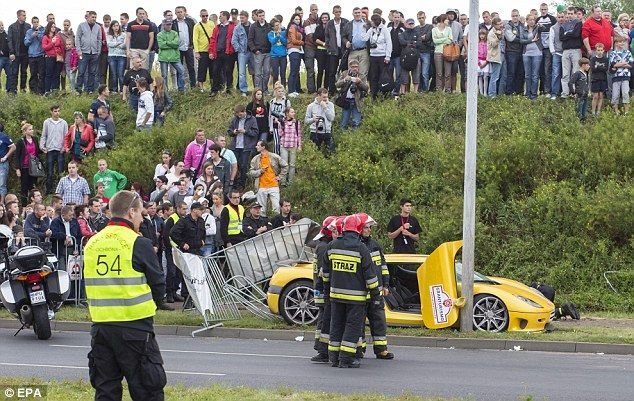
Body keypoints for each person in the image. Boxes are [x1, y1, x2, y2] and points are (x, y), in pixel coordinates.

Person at [84, 191, 166, 400]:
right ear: (131, 212)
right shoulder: (138, 243)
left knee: (106, 390)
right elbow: (158, 283)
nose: (141, 218)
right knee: (147, 389)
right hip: (135, 326)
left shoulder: (92, 243)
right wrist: (154, 304)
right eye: (140, 213)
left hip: (101, 327)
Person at [322, 214, 380, 368]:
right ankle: (346, 359)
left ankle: (334, 358)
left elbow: (325, 275)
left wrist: (326, 293)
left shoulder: (332, 246)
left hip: (335, 296)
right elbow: (371, 276)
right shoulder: (361, 248)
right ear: (358, 229)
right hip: (356, 299)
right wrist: (376, 295)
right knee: (352, 327)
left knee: (336, 326)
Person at [356, 213, 393, 360]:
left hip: (376, 292)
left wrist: (385, 284)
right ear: (359, 228)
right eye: (366, 227)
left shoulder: (374, 245)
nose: (369, 230)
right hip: (360, 292)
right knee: (358, 323)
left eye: (370, 227)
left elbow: (383, 266)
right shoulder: (356, 246)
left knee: (379, 321)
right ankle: (360, 349)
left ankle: (381, 349)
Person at [249, 140, 288, 216]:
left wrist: (280, 177)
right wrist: (260, 171)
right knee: (261, 209)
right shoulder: (256, 159)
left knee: (276, 208)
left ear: (263, 147)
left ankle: (276, 224)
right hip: (261, 186)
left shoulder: (274, 156)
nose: (256, 147)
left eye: (258, 145)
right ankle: (263, 224)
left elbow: (285, 166)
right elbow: (251, 172)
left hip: (273, 185)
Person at [227, 104, 259, 190]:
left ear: (244, 111)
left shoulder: (252, 119)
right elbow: (229, 131)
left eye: (240, 114)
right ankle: (233, 184)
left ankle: (242, 184)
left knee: (244, 166)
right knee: (234, 165)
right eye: (237, 114)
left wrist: (245, 131)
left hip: (246, 147)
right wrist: (233, 132)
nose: (239, 116)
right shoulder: (235, 120)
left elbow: (255, 132)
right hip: (235, 147)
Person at [162, 201, 187, 303]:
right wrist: (171, 247)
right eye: (183, 209)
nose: (185, 211)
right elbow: (166, 235)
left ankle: (174, 291)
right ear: (178, 209)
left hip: (180, 249)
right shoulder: (172, 219)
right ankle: (169, 293)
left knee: (178, 272)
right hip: (172, 249)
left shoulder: (183, 219)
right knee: (171, 272)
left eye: (186, 209)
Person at [208, 11, 236, 96]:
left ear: (225, 17)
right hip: (218, 53)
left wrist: (232, 50)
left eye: (221, 16)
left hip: (228, 53)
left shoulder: (233, 27)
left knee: (228, 71)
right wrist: (211, 52)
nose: (219, 17)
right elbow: (212, 40)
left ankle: (229, 89)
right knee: (215, 71)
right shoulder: (217, 27)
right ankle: (214, 90)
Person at [336, 59, 369, 130]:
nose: (354, 68)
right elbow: (337, 85)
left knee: (356, 123)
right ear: (349, 67)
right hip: (346, 101)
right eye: (353, 67)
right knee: (343, 123)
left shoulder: (362, 76)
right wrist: (345, 80)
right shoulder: (344, 73)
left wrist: (360, 82)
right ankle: (343, 138)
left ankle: (355, 139)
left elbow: (366, 88)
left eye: (356, 67)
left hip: (357, 101)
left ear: (358, 67)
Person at [14, 121, 42, 204]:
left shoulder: (35, 139)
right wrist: (17, 168)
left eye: (32, 129)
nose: (32, 131)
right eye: (30, 129)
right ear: (25, 131)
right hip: (25, 167)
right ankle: (24, 205)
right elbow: (17, 156)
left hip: (34, 167)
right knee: (24, 187)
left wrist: (44, 150)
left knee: (33, 186)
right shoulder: (21, 141)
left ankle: (33, 204)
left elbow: (37, 151)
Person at [75, 11, 102, 94]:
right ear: (88, 17)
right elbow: (78, 38)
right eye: (92, 17)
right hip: (83, 52)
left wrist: (98, 51)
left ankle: (90, 89)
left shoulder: (98, 27)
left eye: (95, 17)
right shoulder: (81, 26)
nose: (94, 19)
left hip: (94, 53)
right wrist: (79, 51)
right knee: (81, 72)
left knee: (92, 72)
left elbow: (99, 40)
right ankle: (78, 89)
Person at [366, 14, 391, 99]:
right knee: (373, 76)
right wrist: (365, 29)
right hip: (373, 56)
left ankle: (384, 95)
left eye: (372, 21)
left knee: (383, 76)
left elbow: (389, 43)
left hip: (382, 56)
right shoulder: (371, 29)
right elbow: (364, 38)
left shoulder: (384, 29)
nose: (371, 22)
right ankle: (374, 94)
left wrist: (388, 56)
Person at [325, 6, 348, 95]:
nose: (338, 13)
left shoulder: (345, 22)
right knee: (332, 71)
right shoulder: (330, 23)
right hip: (333, 50)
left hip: (343, 50)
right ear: (333, 12)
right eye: (336, 12)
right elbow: (326, 36)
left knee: (344, 70)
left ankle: (344, 89)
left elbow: (347, 34)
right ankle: (331, 90)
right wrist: (328, 46)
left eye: (339, 12)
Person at [157, 18, 185, 92]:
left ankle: (181, 89)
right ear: (164, 25)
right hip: (164, 57)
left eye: (170, 24)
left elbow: (176, 44)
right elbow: (161, 45)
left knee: (181, 71)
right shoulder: (160, 34)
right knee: (164, 75)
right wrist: (171, 43)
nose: (169, 26)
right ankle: (166, 91)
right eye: (167, 24)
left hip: (174, 56)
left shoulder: (175, 33)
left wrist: (166, 42)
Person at [6, 10, 31, 94]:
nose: (25, 16)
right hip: (16, 54)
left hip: (25, 54)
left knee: (24, 73)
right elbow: (9, 40)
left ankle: (23, 89)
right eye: (23, 15)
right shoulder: (12, 27)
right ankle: (13, 91)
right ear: (18, 16)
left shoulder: (28, 26)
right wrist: (11, 52)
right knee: (14, 73)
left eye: (25, 15)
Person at [560, 7, 583, 98]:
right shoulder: (563, 25)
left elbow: (576, 34)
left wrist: (567, 34)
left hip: (575, 50)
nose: (569, 15)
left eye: (571, 13)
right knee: (565, 73)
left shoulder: (578, 23)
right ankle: (565, 93)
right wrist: (570, 34)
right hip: (565, 51)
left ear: (575, 14)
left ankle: (575, 93)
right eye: (568, 13)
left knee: (575, 72)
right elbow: (561, 37)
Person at [172, 6, 197, 90]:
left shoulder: (190, 22)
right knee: (179, 68)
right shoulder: (173, 23)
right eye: (178, 12)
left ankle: (193, 87)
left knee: (191, 67)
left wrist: (193, 44)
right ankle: (181, 88)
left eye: (181, 12)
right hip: (178, 49)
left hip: (189, 47)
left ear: (184, 12)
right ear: (175, 13)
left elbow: (194, 33)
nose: (179, 13)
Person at [342, 7, 370, 78]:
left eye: (358, 13)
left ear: (361, 13)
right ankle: (352, 89)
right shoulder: (348, 24)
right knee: (351, 72)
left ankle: (362, 89)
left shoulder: (367, 24)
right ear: (353, 14)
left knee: (362, 73)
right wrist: (346, 42)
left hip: (364, 51)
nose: (357, 14)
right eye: (355, 13)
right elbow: (343, 37)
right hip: (352, 51)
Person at [248, 9, 271, 94]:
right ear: (257, 17)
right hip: (258, 52)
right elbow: (250, 40)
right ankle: (258, 91)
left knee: (267, 71)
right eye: (260, 16)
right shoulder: (253, 26)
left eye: (263, 16)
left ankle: (265, 89)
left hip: (268, 52)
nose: (261, 17)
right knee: (257, 73)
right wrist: (254, 50)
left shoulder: (268, 26)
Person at [277, 107, 302, 185]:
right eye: (292, 112)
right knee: (284, 164)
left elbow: (299, 135)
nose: (293, 113)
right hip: (284, 145)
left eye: (294, 112)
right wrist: (280, 125)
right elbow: (280, 134)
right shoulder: (283, 122)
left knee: (292, 165)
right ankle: (283, 182)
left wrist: (299, 145)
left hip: (293, 145)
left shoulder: (297, 122)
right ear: (287, 113)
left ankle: (291, 182)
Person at [521, 14, 543, 100]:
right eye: (530, 20)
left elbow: (543, 28)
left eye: (533, 19)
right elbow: (521, 41)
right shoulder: (523, 29)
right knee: (527, 75)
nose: (532, 21)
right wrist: (531, 40)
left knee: (535, 75)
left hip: (537, 53)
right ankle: (527, 94)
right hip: (526, 54)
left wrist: (540, 25)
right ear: (527, 21)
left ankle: (534, 95)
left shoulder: (537, 28)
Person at [609, 36, 633, 115]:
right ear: (616, 43)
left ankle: (626, 112)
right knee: (615, 94)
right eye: (619, 42)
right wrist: (624, 63)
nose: (621, 43)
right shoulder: (613, 53)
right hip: (616, 76)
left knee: (625, 93)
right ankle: (616, 112)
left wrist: (619, 64)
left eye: (623, 42)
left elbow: (631, 65)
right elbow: (613, 65)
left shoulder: (628, 52)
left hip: (626, 75)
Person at [231, 10, 252, 97]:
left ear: (247, 17)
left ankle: (257, 90)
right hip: (242, 52)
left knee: (256, 72)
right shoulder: (237, 28)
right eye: (241, 18)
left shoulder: (252, 26)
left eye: (243, 18)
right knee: (242, 72)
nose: (241, 19)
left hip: (252, 52)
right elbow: (234, 40)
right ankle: (244, 90)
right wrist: (239, 49)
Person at [193, 9, 215, 92]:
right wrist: (197, 51)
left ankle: (213, 86)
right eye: (203, 16)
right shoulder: (197, 26)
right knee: (202, 69)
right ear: (200, 16)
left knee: (213, 69)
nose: (205, 17)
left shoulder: (211, 24)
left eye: (206, 15)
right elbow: (195, 39)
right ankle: (201, 87)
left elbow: (214, 36)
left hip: (211, 50)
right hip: (202, 51)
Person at [399, 18, 421, 94]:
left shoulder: (417, 33)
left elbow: (419, 43)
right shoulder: (403, 33)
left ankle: (415, 92)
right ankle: (403, 92)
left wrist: (408, 43)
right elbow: (402, 42)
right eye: (409, 24)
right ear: (406, 24)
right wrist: (412, 42)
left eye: (412, 24)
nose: (411, 25)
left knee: (416, 74)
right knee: (404, 75)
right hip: (405, 57)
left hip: (415, 56)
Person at [24, 16, 45, 94]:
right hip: (32, 56)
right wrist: (32, 37)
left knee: (41, 74)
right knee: (33, 74)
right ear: (32, 23)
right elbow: (26, 43)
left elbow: (43, 41)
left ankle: (41, 91)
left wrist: (38, 33)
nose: (36, 24)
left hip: (40, 55)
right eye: (34, 22)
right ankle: (33, 91)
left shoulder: (42, 30)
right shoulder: (29, 32)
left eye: (37, 22)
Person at [41, 21, 64, 93]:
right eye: (52, 26)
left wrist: (62, 54)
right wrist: (52, 42)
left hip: (57, 57)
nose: (53, 28)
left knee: (57, 74)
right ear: (49, 27)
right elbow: (44, 47)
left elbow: (61, 45)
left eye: (54, 26)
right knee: (49, 74)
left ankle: (55, 90)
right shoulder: (45, 37)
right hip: (49, 57)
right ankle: (47, 90)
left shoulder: (57, 36)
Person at [432, 14, 453, 93]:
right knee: (439, 73)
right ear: (442, 20)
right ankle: (439, 90)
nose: (448, 21)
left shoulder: (449, 29)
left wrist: (440, 39)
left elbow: (450, 40)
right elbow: (435, 41)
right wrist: (445, 39)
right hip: (438, 52)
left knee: (448, 73)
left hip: (447, 52)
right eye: (447, 19)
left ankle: (448, 90)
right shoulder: (434, 30)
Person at [286, 14, 304, 98]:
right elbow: (293, 40)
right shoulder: (292, 27)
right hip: (293, 50)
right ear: (292, 19)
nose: (298, 21)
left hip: (298, 50)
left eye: (299, 19)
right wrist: (302, 42)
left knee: (296, 71)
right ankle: (290, 90)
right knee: (293, 71)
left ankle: (294, 90)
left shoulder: (298, 28)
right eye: (296, 19)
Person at [107, 20, 126, 93]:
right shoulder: (109, 35)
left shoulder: (123, 35)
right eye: (114, 26)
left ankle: (122, 90)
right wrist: (118, 43)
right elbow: (109, 44)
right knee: (113, 74)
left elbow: (124, 44)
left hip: (121, 56)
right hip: (112, 56)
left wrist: (115, 44)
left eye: (117, 25)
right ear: (112, 27)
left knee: (120, 74)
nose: (116, 27)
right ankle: (114, 90)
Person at [590, 43, 608, 117]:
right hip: (595, 79)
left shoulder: (605, 59)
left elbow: (605, 69)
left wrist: (598, 67)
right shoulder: (593, 59)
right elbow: (593, 69)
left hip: (603, 79)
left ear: (603, 51)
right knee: (595, 96)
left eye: (601, 50)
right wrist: (600, 68)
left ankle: (598, 111)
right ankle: (593, 111)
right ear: (596, 51)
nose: (600, 51)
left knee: (601, 96)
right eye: (598, 50)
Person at [268, 19, 288, 88]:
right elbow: (272, 42)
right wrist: (277, 35)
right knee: (275, 74)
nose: (278, 26)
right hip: (274, 56)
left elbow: (285, 42)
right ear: (273, 27)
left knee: (283, 74)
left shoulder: (283, 33)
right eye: (276, 25)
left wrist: (280, 35)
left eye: (279, 25)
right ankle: (275, 89)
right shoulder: (270, 34)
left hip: (283, 55)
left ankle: (283, 89)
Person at [0, 122, 16, 202]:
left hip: (2, 164)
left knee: (2, 184)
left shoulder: (4, 136)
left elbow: (13, 147)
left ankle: (2, 203)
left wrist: (5, 157)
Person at [476, 29, 490, 95]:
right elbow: (476, 54)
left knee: (485, 77)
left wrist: (486, 62)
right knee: (480, 77)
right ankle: (481, 92)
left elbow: (489, 53)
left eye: (483, 34)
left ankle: (485, 92)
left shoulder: (488, 44)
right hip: (479, 62)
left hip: (486, 62)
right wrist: (478, 63)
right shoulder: (477, 44)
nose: (482, 36)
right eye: (480, 34)